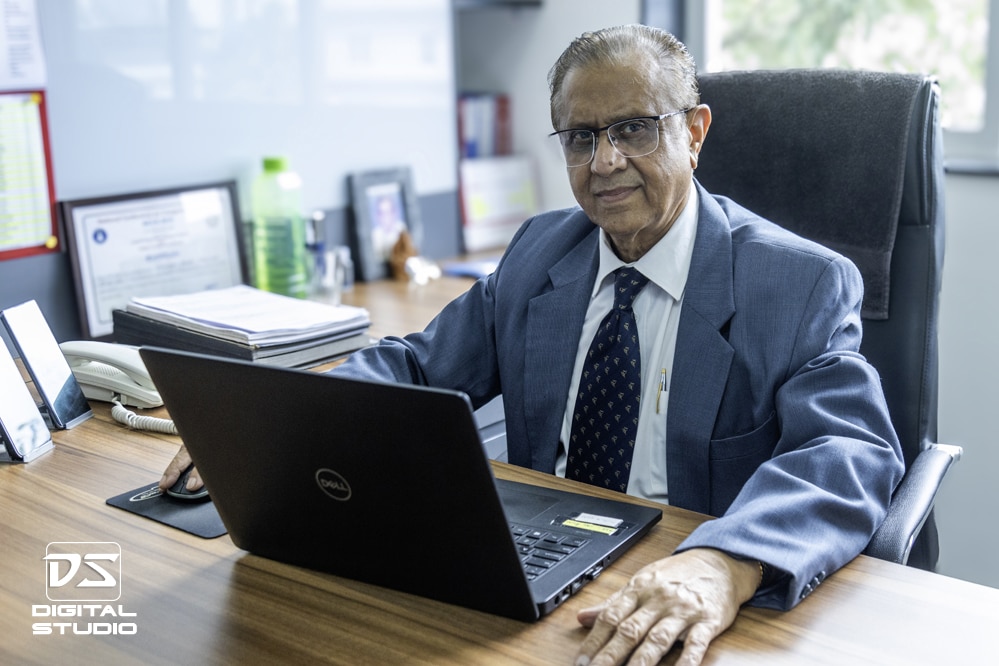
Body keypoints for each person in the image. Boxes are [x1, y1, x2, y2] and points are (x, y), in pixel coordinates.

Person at [161, 24, 904, 666]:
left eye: (633, 128)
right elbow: (418, 363)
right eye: (580, 138)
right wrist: (282, 424)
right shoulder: (541, 252)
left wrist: (727, 560)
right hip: (534, 565)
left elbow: (849, 451)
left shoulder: (797, 283)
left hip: (678, 582)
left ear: (695, 132)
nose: (604, 161)